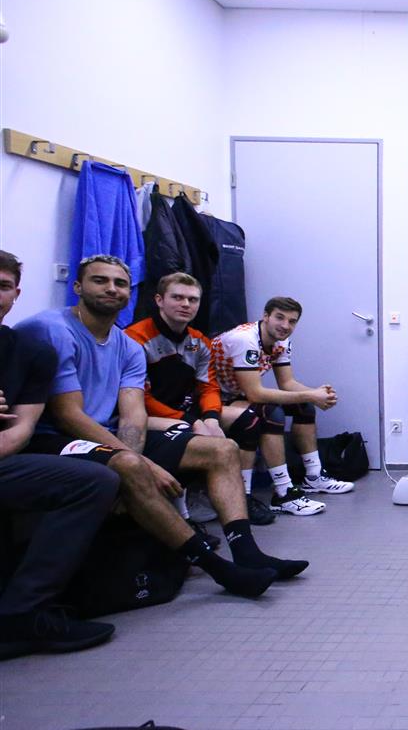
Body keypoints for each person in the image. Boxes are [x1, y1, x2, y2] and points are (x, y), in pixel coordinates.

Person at [17, 255, 305, 599]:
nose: (111, 289)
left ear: (130, 293)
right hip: (57, 439)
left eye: (120, 283)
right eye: (100, 280)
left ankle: (247, 554)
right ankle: (220, 569)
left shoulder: (126, 345)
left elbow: (132, 414)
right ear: (77, 287)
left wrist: (205, 420)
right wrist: (139, 461)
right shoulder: (55, 329)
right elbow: (68, 415)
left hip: (110, 433)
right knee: (129, 463)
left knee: (222, 449)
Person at [0, 250, 119, 659]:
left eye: (3, 286)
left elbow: (21, 429)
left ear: (16, 294)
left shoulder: (30, 350)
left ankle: (21, 613)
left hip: (5, 459)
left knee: (95, 479)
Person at [125, 273, 274, 526]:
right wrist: (192, 421)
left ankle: (241, 495)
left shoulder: (199, 341)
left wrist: (211, 418)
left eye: (192, 299)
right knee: (187, 432)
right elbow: (140, 398)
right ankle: (181, 510)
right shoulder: (135, 338)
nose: (186, 304)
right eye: (177, 297)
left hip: (185, 409)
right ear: (159, 300)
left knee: (247, 420)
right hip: (145, 414)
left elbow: (208, 387)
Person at [211, 297, 349, 517]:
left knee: (303, 406)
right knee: (269, 413)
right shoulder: (244, 339)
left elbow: (287, 383)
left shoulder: (281, 341)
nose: (285, 325)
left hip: (236, 395)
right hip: (212, 398)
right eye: (280, 318)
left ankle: (313, 477)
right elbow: (255, 393)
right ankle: (281, 493)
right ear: (265, 316)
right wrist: (311, 395)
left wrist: (316, 394)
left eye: (292, 321)